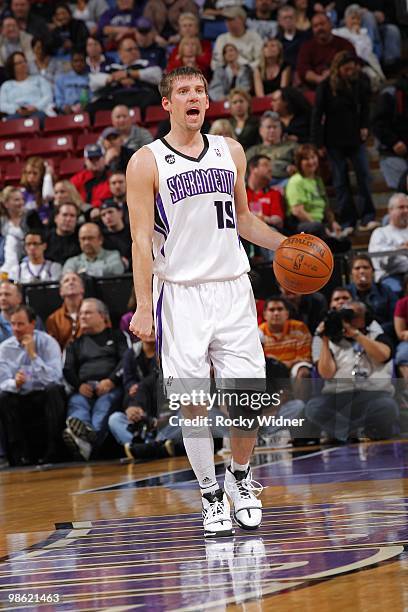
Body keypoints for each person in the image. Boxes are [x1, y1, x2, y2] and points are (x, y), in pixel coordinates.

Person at [127, 66, 290, 538]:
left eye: (199, 90)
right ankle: (210, 494)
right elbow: (140, 241)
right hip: (179, 292)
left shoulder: (230, 150)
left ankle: (240, 478)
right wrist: (142, 306)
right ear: (168, 104)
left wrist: (287, 245)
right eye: (184, 91)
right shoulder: (146, 161)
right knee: (194, 403)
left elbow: (243, 219)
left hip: (233, 287)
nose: (194, 96)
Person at [305, 300, 399, 442]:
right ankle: (356, 431)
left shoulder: (378, 336)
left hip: (373, 396)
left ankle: (341, 431)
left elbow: (383, 355)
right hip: (339, 397)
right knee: (313, 407)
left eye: (353, 315)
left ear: (366, 318)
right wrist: (324, 339)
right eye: (345, 315)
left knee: (388, 406)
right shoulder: (332, 342)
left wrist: (356, 335)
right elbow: (326, 373)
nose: (348, 319)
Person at [311, 51, 377, 233]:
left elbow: (365, 107)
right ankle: (348, 220)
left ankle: (367, 217)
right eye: (346, 69)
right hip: (333, 139)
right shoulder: (325, 86)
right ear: (338, 68)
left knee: (364, 176)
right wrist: (318, 144)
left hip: (355, 138)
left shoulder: (359, 82)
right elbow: (317, 115)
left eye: (352, 68)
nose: (350, 71)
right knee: (340, 181)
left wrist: (365, 126)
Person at [0, 304, 65, 466]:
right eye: (13, 324)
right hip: (20, 395)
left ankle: (53, 451)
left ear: (32, 324)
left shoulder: (48, 342)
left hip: (43, 394)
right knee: (4, 397)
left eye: (21, 324)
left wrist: (33, 355)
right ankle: (19, 456)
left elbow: (55, 378)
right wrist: (14, 382)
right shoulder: (4, 348)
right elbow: (2, 382)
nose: (16, 329)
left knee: (54, 391)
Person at [63, 298, 127, 460]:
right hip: (84, 389)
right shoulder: (74, 344)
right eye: (81, 313)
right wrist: (79, 386)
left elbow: (126, 361)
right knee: (77, 405)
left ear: (103, 316)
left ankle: (86, 442)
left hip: (110, 387)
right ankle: (83, 434)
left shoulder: (117, 336)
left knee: (103, 406)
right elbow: (67, 369)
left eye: (88, 313)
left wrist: (111, 380)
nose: (83, 317)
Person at [333, 4, 385, 92]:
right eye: (352, 18)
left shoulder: (364, 34)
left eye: (358, 19)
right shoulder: (338, 33)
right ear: (346, 20)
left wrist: (358, 35)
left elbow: (366, 52)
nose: (355, 22)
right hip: (345, 63)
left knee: (373, 76)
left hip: (362, 63)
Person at [259, 296, 312, 380]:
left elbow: (305, 358)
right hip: (269, 370)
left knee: (303, 372)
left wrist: (282, 365)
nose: (276, 313)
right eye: (272, 310)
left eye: (280, 309)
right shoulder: (259, 333)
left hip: (293, 366)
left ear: (287, 313)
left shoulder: (299, 328)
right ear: (265, 314)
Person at [297, 12, 354, 88]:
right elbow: (303, 69)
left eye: (322, 24)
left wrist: (334, 74)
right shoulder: (306, 47)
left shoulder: (344, 44)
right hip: (316, 86)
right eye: (316, 26)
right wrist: (319, 79)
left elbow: (353, 63)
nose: (320, 28)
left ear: (330, 24)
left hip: (342, 84)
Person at [372, 74, 408, 191]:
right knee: (400, 192)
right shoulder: (390, 94)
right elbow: (377, 123)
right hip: (391, 151)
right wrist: (394, 142)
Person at [346, 253, 397, 336]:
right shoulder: (345, 293)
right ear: (351, 273)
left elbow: (395, 319)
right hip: (353, 337)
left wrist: (375, 332)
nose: (362, 271)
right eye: (357, 268)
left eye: (366, 267)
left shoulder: (385, 290)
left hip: (382, 335)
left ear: (372, 272)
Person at [368, 193, 408, 294]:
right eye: (401, 207)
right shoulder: (380, 233)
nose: (406, 210)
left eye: (407, 207)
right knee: (393, 291)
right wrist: (401, 249)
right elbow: (381, 262)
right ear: (390, 210)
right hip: (391, 276)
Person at [0, 51, 53, 124]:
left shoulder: (39, 79)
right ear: (12, 67)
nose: (24, 64)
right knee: (8, 123)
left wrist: (36, 107)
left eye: (24, 61)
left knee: (37, 119)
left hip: (38, 112)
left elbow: (48, 96)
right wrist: (16, 109)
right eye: (19, 63)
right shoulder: (6, 85)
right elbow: (2, 105)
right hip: (16, 114)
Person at [246, 110, 297, 186]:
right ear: (261, 130)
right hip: (260, 184)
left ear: (281, 129)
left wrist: (295, 169)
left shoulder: (292, 146)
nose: (272, 130)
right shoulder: (252, 151)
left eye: (275, 127)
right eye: (269, 127)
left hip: (285, 181)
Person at [211, 6, 263, 71]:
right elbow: (215, 64)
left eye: (231, 19)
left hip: (250, 74)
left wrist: (245, 68)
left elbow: (261, 60)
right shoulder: (222, 39)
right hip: (227, 75)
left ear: (242, 20)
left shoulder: (254, 36)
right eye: (226, 20)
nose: (228, 23)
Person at [46, 271, 84, 350]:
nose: (71, 283)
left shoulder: (95, 311)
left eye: (74, 280)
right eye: (66, 281)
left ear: (82, 289)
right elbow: (53, 348)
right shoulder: (53, 319)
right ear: (61, 292)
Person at [70, 143, 111, 208]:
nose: (94, 162)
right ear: (85, 161)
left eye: (97, 158)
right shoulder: (78, 179)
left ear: (104, 159)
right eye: (91, 159)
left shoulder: (112, 177)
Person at [276, 5, 311, 71]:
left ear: (296, 19)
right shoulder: (276, 41)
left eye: (291, 17)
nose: (288, 20)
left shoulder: (307, 37)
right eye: (285, 18)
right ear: (279, 21)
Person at [54, 50, 90, 114]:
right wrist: (63, 107)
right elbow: (58, 99)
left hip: (86, 110)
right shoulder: (61, 79)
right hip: (66, 112)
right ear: (71, 62)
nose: (78, 64)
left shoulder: (90, 78)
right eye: (76, 61)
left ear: (85, 62)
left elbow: (93, 96)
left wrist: (86, 106)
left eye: (81, 61)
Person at [99, 199, 132, 267]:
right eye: (103, 215)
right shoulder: (101, 237)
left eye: (110, 212)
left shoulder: (132, 231)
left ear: (120, 213)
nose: (107, 217)